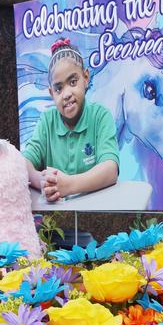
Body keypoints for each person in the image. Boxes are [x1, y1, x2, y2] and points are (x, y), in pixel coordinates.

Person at [23, 38, 119, 202]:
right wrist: (43, 181)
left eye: (73, 82)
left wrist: (69, 185)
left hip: (94, 210)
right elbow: (23, 164)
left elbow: (110, 169)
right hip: (56, 218)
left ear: (86, 78)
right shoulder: (47, 121)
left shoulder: (100, 116)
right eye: (58, 89)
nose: (66, 94)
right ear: (51, 93)